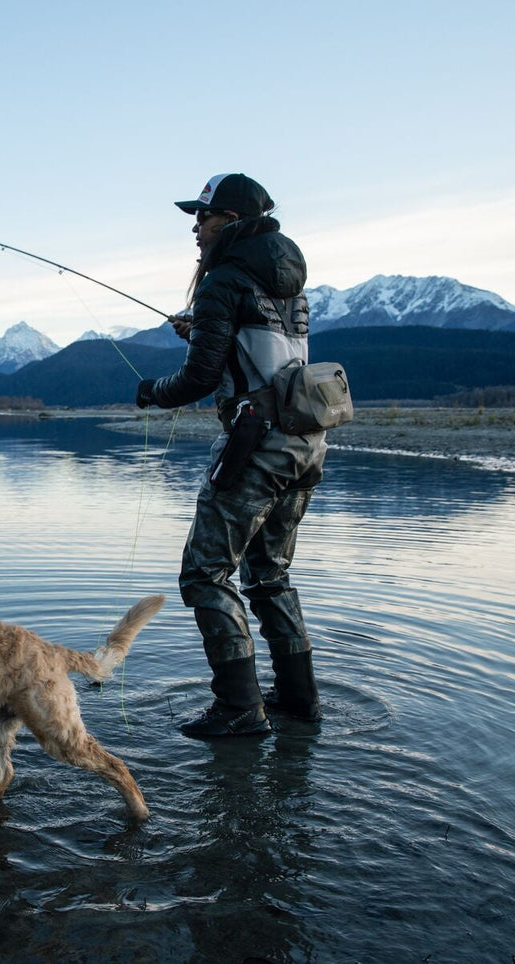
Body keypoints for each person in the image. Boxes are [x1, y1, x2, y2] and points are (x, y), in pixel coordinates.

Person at [135, 173, 326, 738]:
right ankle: (299, 698)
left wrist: (151, 392)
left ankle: (239, 706)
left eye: (204, 216)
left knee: (204, 573)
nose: (197, 227)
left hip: (255, 447)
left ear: (232, 221)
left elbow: (198, 379)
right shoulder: (288, 280)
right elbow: (260, 347)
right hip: (306, 444)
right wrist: (203, 329)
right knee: (269, 574)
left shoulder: (223, 277)